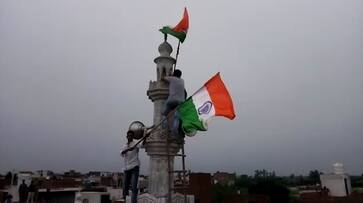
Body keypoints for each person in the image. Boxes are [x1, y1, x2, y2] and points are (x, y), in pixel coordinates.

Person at [162, 69, 186, 135]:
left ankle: (165, 127)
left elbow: (163, 78)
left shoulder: (172, 79)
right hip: (181, 101)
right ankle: (174, 130)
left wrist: (170, 76)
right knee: (177, 117)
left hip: (172, 100)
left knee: (164, 114)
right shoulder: (182, 81)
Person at [120, 131, 141, 203]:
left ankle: (133, 202)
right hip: (126, 168)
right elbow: (121, 153)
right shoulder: (124, 146)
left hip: (134, 167)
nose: (130, 137)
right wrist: (128, 149)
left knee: (134, 187)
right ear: (126, 137)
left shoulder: (136, 143)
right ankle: (125, 200)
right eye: (128, 136)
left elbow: (142, 145)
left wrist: (146, 136)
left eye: (131, 136)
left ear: (133, 137)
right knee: (125, 187)